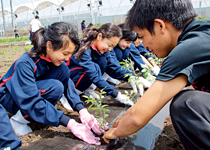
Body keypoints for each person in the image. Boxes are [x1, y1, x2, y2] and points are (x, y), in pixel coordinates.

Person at [103, 0, 210, 149]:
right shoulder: (202, 33)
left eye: (142, 36)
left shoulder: (189, 48)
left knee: (187, 104)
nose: (143, 45)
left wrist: (114, 133)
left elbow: (138, 117)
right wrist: (123, 120)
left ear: (160, 25)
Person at [0, 22, 104, 150]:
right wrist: (70, 123)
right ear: (49, 45)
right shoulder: (25, 63)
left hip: (29, 96)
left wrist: (82, 111)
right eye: (65, 53)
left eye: (70, 54)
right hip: (10, 98)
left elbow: (68, 86)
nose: (67, 59)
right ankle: (18, 121)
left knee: (63, 75)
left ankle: (33, 117)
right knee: (55, 87)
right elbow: (30, 100)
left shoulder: (56, 64)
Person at [66, 23, 140, 105]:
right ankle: (70, 94)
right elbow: (94, 76)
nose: (110, 49)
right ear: (99, 37)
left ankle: (88, 90)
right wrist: (116, 94)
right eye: (109, 45)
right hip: (69, 76)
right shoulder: (84, 48)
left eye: (113, 46)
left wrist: (131, 77)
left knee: (103, 62)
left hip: (82, 74)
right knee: (91, 69)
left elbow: (112, 67)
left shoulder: (103, 49)